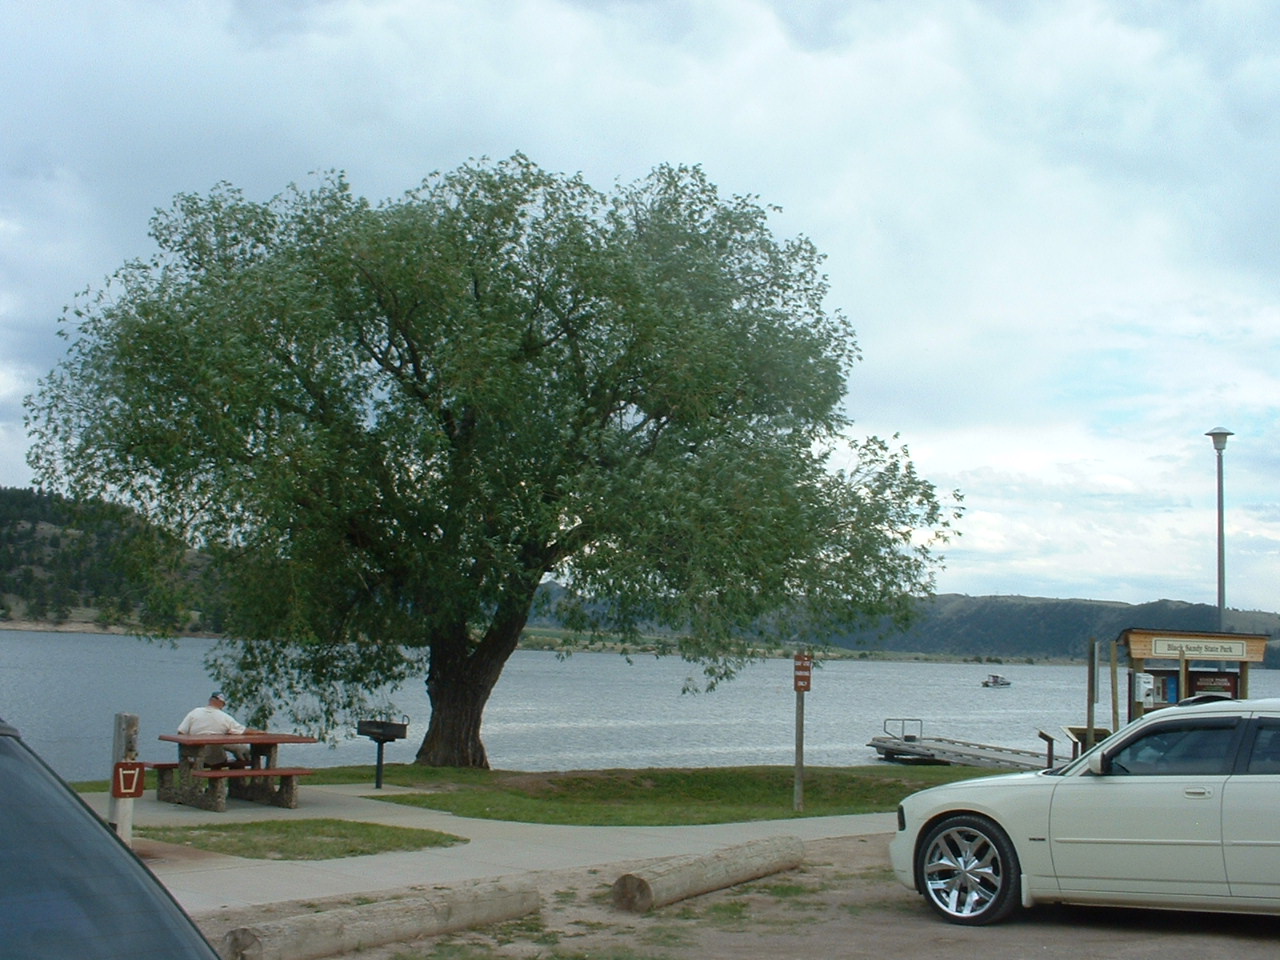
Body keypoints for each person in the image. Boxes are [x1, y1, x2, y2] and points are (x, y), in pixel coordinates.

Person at [177, 692, 254, 765]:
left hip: (196, 755)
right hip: (216, 757)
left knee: (229, 747)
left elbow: (181, 732)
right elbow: (243, 731)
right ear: (222, 704)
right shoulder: (224, 717)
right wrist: (261, 732)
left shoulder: (195, 712)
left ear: (210, 701)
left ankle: (185, 777)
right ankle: (244, 767)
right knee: (242, 749)